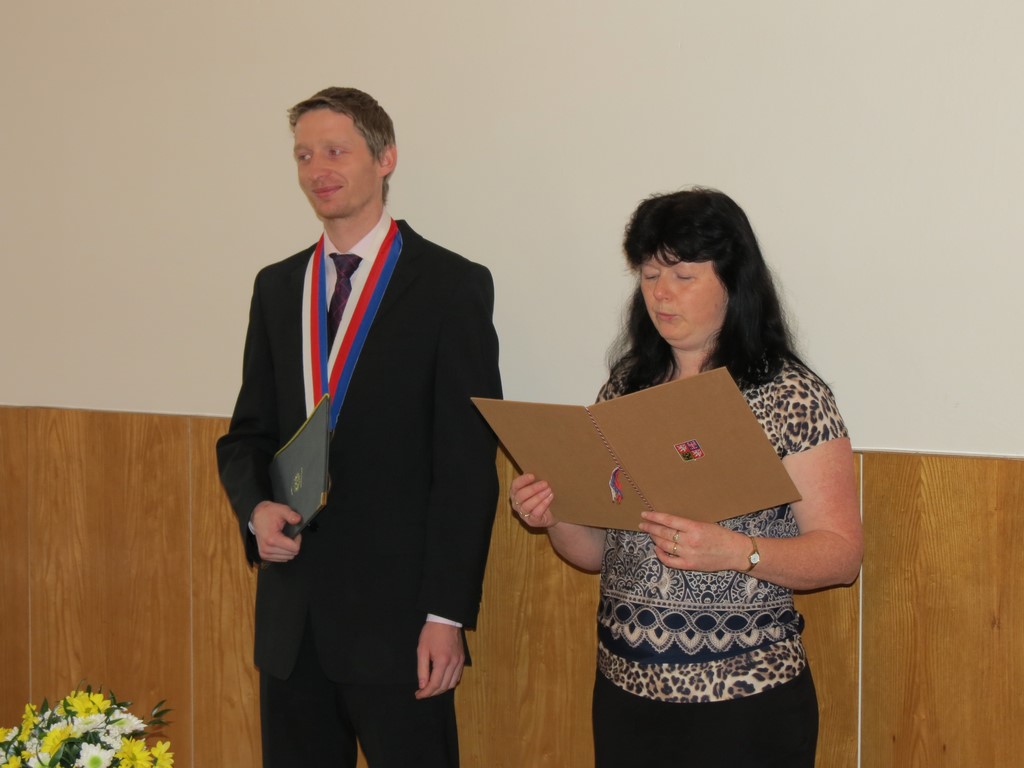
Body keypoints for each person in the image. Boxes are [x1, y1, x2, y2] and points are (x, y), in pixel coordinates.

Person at [509, 188, 862, 767]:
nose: (661, 293)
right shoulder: (625, 388)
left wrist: (737, 552)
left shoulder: (789, 394)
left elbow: (842, 556)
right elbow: (596, 553)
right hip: (627, 691)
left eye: (683, 275)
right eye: (650, 275)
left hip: (745, 698)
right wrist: (555, 513)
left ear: (732, 280)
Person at [216, 87, 502, 768]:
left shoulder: (450, 285)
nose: (318, 169)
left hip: (400, 625)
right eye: (303, 155)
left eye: (335, 151)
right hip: (293, 625)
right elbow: (246, 435)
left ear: (385, 158)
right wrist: (254, 508)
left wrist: (445, 616)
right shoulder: (277, 287)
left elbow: (466, 467)